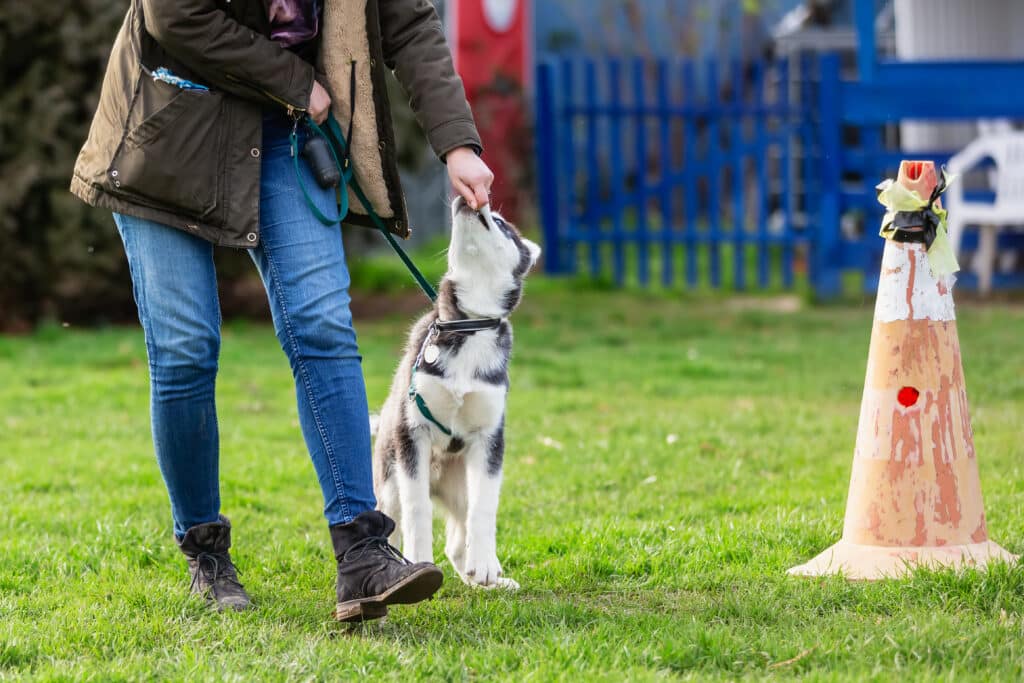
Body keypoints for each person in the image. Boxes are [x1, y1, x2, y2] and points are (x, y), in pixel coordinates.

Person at [69, 0, 493, 621]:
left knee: (322, 324)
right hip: (167, 127)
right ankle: (205, 553)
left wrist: (457, 144)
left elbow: (407, 20)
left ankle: (363, 552)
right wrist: (298, 82)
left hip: (283, 130)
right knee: (186, 348)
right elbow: (174, 15)